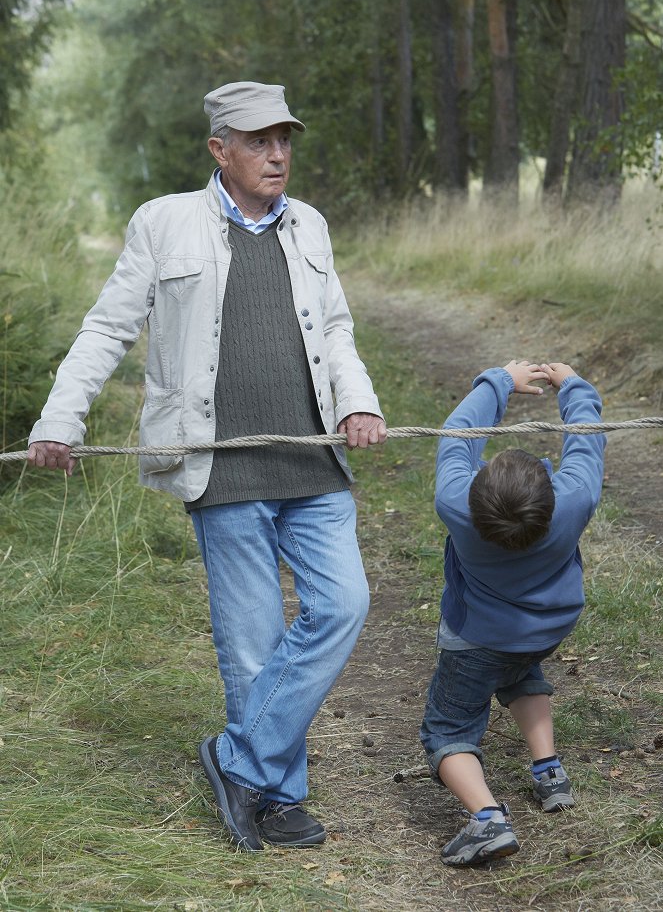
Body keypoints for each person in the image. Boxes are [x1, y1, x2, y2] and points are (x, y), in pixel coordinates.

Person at [27, 81, 387, 851]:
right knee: (252, 642)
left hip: (313, 460)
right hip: (220, 470)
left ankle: (236, 759)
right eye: (258, 141)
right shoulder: (163, 223)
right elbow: (106, 329)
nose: (277, 153)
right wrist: (62, 414)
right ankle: (280, 796)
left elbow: (336, 329)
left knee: (344, 604)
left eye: (284, 138)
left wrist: (357, 401)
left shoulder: (310, 227)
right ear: (219, 149)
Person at [420, 360, 605, 866]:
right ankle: (549, 773)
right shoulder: (573, 500)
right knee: (521, 670)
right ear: (549, 493)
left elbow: (458, 435)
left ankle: (488, 820)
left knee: (448, 731)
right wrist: (572, 386)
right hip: (546, 630)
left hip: (475, 639)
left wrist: (501, 379)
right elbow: (586, 440)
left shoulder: (457, 503)